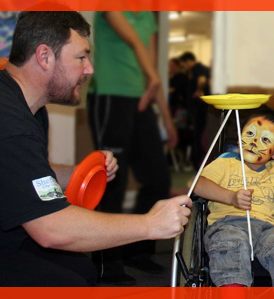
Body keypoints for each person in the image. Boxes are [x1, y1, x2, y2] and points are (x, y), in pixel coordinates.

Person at [0, 11, 192, 287]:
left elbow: (27, 177)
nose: (90, 68)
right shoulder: (2, 120)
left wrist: (81, 172)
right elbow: (52, 229)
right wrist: (150, 224)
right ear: (44, 56)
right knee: (69, 284)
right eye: (81, 57)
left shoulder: (22, 105)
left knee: (80, 268)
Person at [86, 12, 178, 286]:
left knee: (158, 179)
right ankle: (107, 264)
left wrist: (166, 118)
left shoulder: (148, 15)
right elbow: (136, 45)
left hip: (142, 100)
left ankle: (137, 250)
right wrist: (153, 80)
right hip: (110, 98)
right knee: (113, 180)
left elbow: (150, 65)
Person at [193, 106, 274, 287]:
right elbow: (197, 185)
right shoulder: (225, 163)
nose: (254, 142)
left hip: (268, 231)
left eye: (265, 139)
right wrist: (230, 197)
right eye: (250, 134)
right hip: (229, 225)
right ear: (239, 139)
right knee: (231, 241)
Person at [179, 51, 211, 170]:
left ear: (188, 61)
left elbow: (202, 80)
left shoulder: (198, 68)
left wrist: (199, 90)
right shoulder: (194, 70)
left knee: (199, 136)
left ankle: (200, 163)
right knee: (197, 135)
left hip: (200, 109)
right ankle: (198, 163)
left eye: (184, 65)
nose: (184, 68)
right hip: (197, 109)